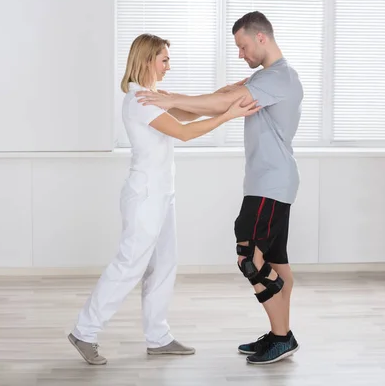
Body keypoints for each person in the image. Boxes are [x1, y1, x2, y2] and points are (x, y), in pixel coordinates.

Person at [68, 33, 260, 365]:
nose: (169, 66)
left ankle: (158, 337)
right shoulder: (140, 100)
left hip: (161, 194)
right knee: (130, 265)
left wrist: (226, 94)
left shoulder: (151, 96)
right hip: (145, 197)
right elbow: (185, 133)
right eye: (164, 60)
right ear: (146, 61)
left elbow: (183, 116)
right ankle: (84, 332)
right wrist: (229, 115)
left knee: (164, 265)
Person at [136, 11, 303, 365]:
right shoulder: (267, 78)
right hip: (271, 182)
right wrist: (172, 104)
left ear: (261, 38)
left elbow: (221, 103)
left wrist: (172, 100)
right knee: (277, 266)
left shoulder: (280, 78)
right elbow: (223, 95)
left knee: (250, 258)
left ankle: (282, 337)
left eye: (243, 46)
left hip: (270, 183)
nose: (240, 54)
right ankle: (279, 336)